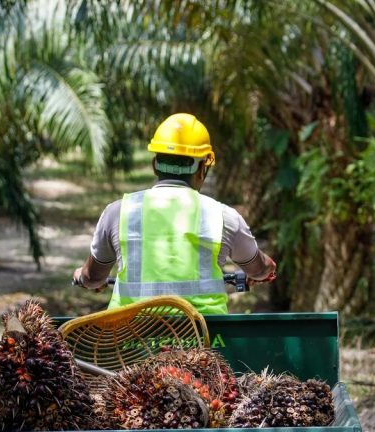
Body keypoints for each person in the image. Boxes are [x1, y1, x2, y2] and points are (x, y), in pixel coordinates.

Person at [72, 113, 276, 315]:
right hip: (205, 341)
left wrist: (82, 275)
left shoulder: (118, 212)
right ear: (202, 168)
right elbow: (258, 268)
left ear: (154, 165)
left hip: (131, 340)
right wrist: (265, 269)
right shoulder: (223, 217)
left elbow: (93, 277)